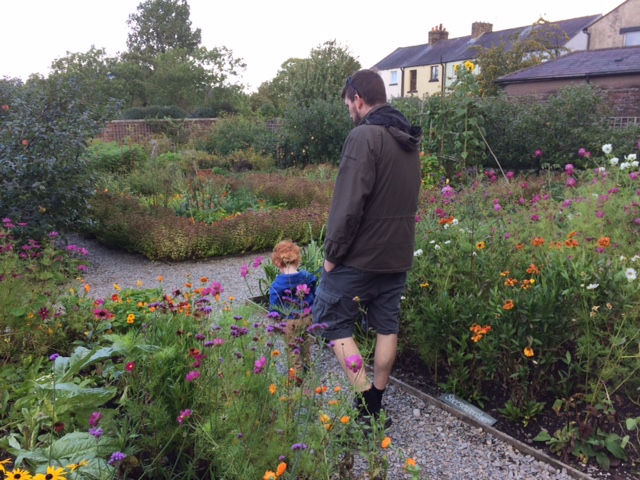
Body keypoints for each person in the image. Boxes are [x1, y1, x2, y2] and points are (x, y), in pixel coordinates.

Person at [312, 69, 422, 426]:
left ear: (358, 100)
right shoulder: (407, 139)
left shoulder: (364, 137)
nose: (349, 111)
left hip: (360, 257)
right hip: (397, 255)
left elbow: (348, 205)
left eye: (348, 104)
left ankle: (365, 406)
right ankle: (376, 400)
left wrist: (331, 256)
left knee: (332, 322)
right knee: (386, 326)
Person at [269, 240, 318, 374]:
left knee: (292, 346)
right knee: (305, 341)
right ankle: (308, 367)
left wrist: (276, 317)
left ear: (277, 263)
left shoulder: (278, 283)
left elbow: (274, 303)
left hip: (290, 320)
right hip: (307, 317)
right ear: (297, 260)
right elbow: (314, 290)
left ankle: (296, 372)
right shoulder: (307, 276)